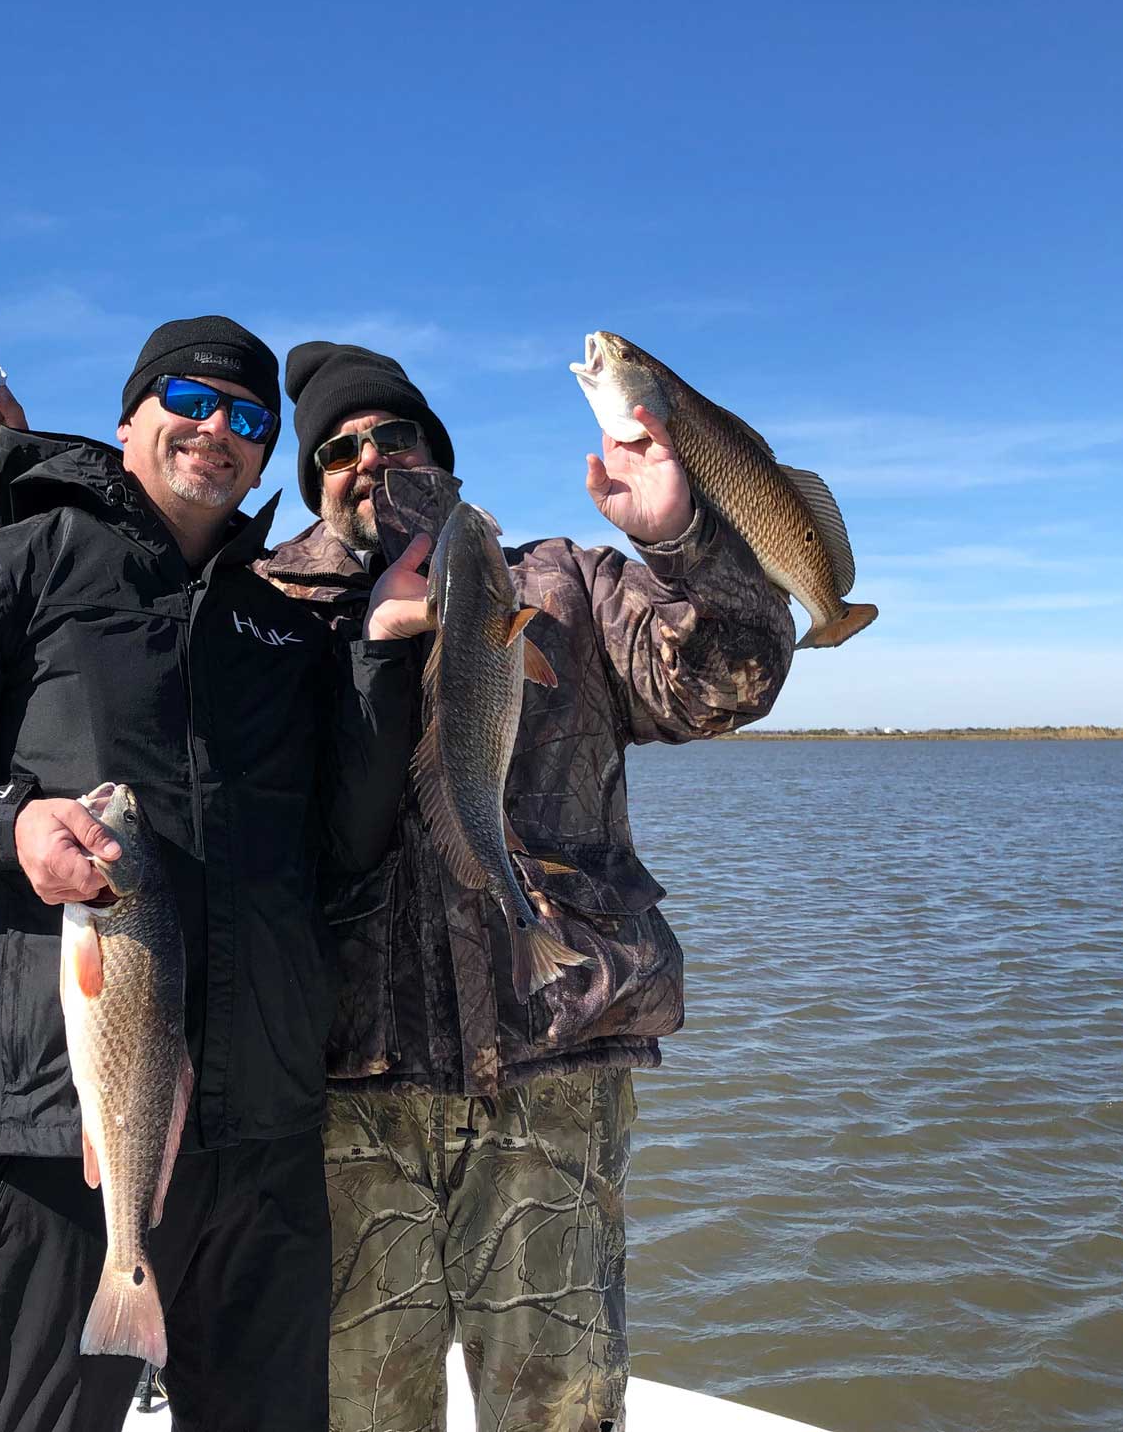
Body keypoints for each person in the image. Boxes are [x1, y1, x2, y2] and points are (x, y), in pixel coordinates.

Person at [0, 317, 432, 1432]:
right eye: (187, 403)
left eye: (248, 418)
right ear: (127, 421)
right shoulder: (8, 568)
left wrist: (383, 650)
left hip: (262, 1150)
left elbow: (344, 847)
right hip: (60, 1140)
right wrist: (14, 830)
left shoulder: (276, 625)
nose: (216, 431)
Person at [258, 342, 797, 1432]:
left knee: (556, 1414)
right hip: (340, 1102)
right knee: (359, 1416)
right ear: (314, 475)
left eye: (394, 436)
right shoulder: (267, 605)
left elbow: (728, 685)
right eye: (338, 448)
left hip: (548, 1078)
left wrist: (681, 540)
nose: (368, 459)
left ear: (441, 458)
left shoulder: (560, 580)